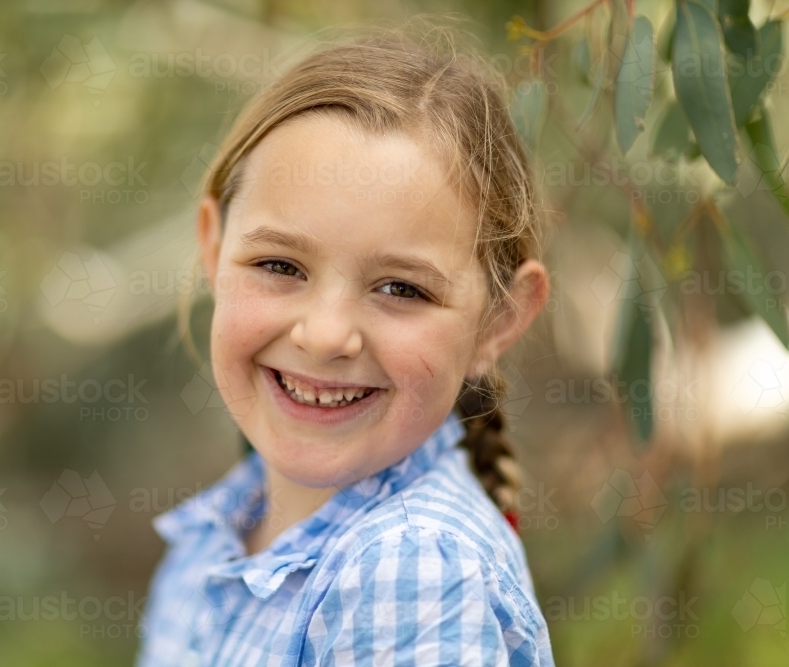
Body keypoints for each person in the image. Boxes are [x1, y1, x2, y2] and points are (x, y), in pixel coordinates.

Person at [136, 16, 555, 666]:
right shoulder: (216, 532)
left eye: (402, 289)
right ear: (214, 249)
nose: (326, 335)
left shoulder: (412, 570)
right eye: (280, 266)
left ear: (498, 320)